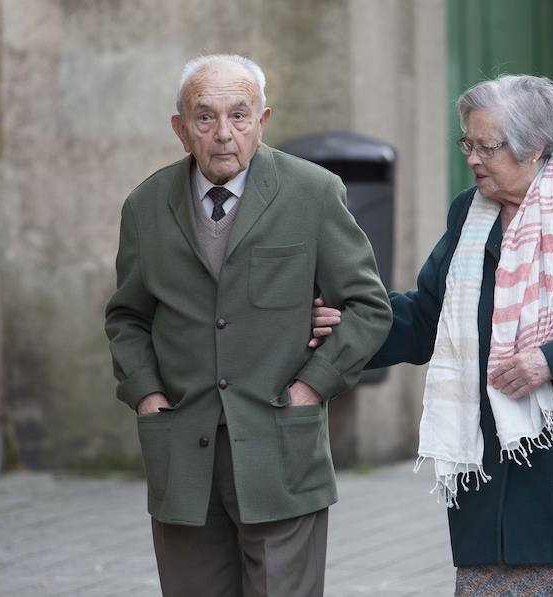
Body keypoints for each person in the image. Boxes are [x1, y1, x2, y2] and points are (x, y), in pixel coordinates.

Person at [312, 74, 553, 595]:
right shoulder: (470, 212)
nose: (473, 158)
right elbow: (429, 315)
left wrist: (551, 362)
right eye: (468, 143)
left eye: (488, 146)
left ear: (536, 147)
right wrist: (351, 325)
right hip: (501, 481)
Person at [104, 54, 391, 597]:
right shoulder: (144, 206)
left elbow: (368, 307)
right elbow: (127, 316)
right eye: (204, 117)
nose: (222, 134)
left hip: (281, 443)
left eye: (239, 116)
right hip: (182, 454)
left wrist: (313, 387)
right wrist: (145, 395)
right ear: (180, 128)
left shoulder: (314, 192)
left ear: (263, 122)